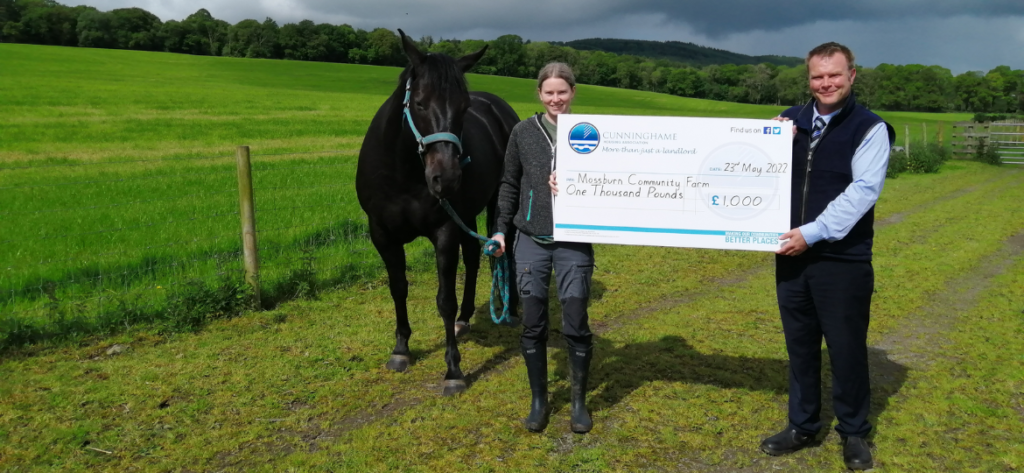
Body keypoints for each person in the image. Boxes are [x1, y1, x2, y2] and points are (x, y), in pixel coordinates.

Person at [761, 42, 895, 471]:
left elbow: (862, 193)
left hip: (843, 259)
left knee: (846, 348)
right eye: (818, 77)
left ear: (852, 75)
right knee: (799, 346)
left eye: (834, 75)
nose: (826, 84)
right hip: (791, 255)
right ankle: (802, 425)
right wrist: (770, 139)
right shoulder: (790, 121)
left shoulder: (870, 128)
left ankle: (854, 432)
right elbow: (756, 169)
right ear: (809, 80)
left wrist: (812, 233)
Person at [490, 62, 595, 434]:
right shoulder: (523, 132)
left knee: (575, 321)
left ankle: (579, 402)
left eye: (562, 92)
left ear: (573, 92)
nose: (556, 99)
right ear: (539, 94)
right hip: (531, 239)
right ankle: (540, 400)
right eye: (549, 92)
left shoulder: (591, 134)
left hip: (574, 243)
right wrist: (501, 231)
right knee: (533, 323)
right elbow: (509, 184)